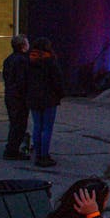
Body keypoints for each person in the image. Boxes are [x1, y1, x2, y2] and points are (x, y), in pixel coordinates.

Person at [24, 36, 64, 167]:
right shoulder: (50, 61)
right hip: (49, 99)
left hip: (34, 98)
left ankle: (37, 153)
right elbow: (57, 81)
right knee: (47, 128)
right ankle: (44, 155)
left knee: (37, 126)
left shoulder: (29, 61)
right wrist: (60, 94)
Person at [1, 34, 30, 159]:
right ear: (23, 46)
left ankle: (12, 148)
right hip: (18, 97)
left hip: (10, 95)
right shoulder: (22, 60)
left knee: (14, 123)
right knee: (19, 124)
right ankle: (12, 150)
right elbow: (22, 81)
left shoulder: (9, 59)